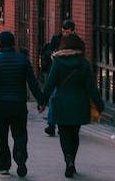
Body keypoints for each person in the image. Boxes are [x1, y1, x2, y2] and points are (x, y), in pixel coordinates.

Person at [0, 30, 44, 178]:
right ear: (13, 43)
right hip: (18, 105)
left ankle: (3, 166)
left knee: (1, 137)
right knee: (20, 134)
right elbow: (33, 83)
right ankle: (20, 154)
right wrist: (41, 101)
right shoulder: (23, 60)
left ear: (0, 44)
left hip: (0, 105)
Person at [42, 33, 103, 178]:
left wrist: (42, 101)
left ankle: (68, 159)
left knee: (63, 133)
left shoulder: (57, 62)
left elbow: (49, 84)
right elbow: (91, 87)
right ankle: (72, 161)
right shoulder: (84, 63)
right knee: (74, 134)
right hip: (79, 104)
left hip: (61, 103)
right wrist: (99, 104)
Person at [40, 20, 78, 136]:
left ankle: (65, 125)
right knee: (54, 98)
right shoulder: (56, 38)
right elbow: (49, 50)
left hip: (69, 74)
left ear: (72, 31)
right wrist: (52, 54)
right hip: (56, 72)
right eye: (63, 31)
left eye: (67, 32)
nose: (64, 34)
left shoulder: (76, 41)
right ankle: (51, 125)